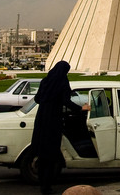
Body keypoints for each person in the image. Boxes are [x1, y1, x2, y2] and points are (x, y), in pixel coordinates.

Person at [27, 61, 89, 194]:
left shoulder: (45, 81)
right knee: (51, 154)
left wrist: (47, 100)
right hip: (53, 121)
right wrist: (81, 108)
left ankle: (43, 184)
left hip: (41, 120)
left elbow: (37, 99)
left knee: (42, 154)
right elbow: (66, 101)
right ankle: (47, 186)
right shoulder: (63, 82)